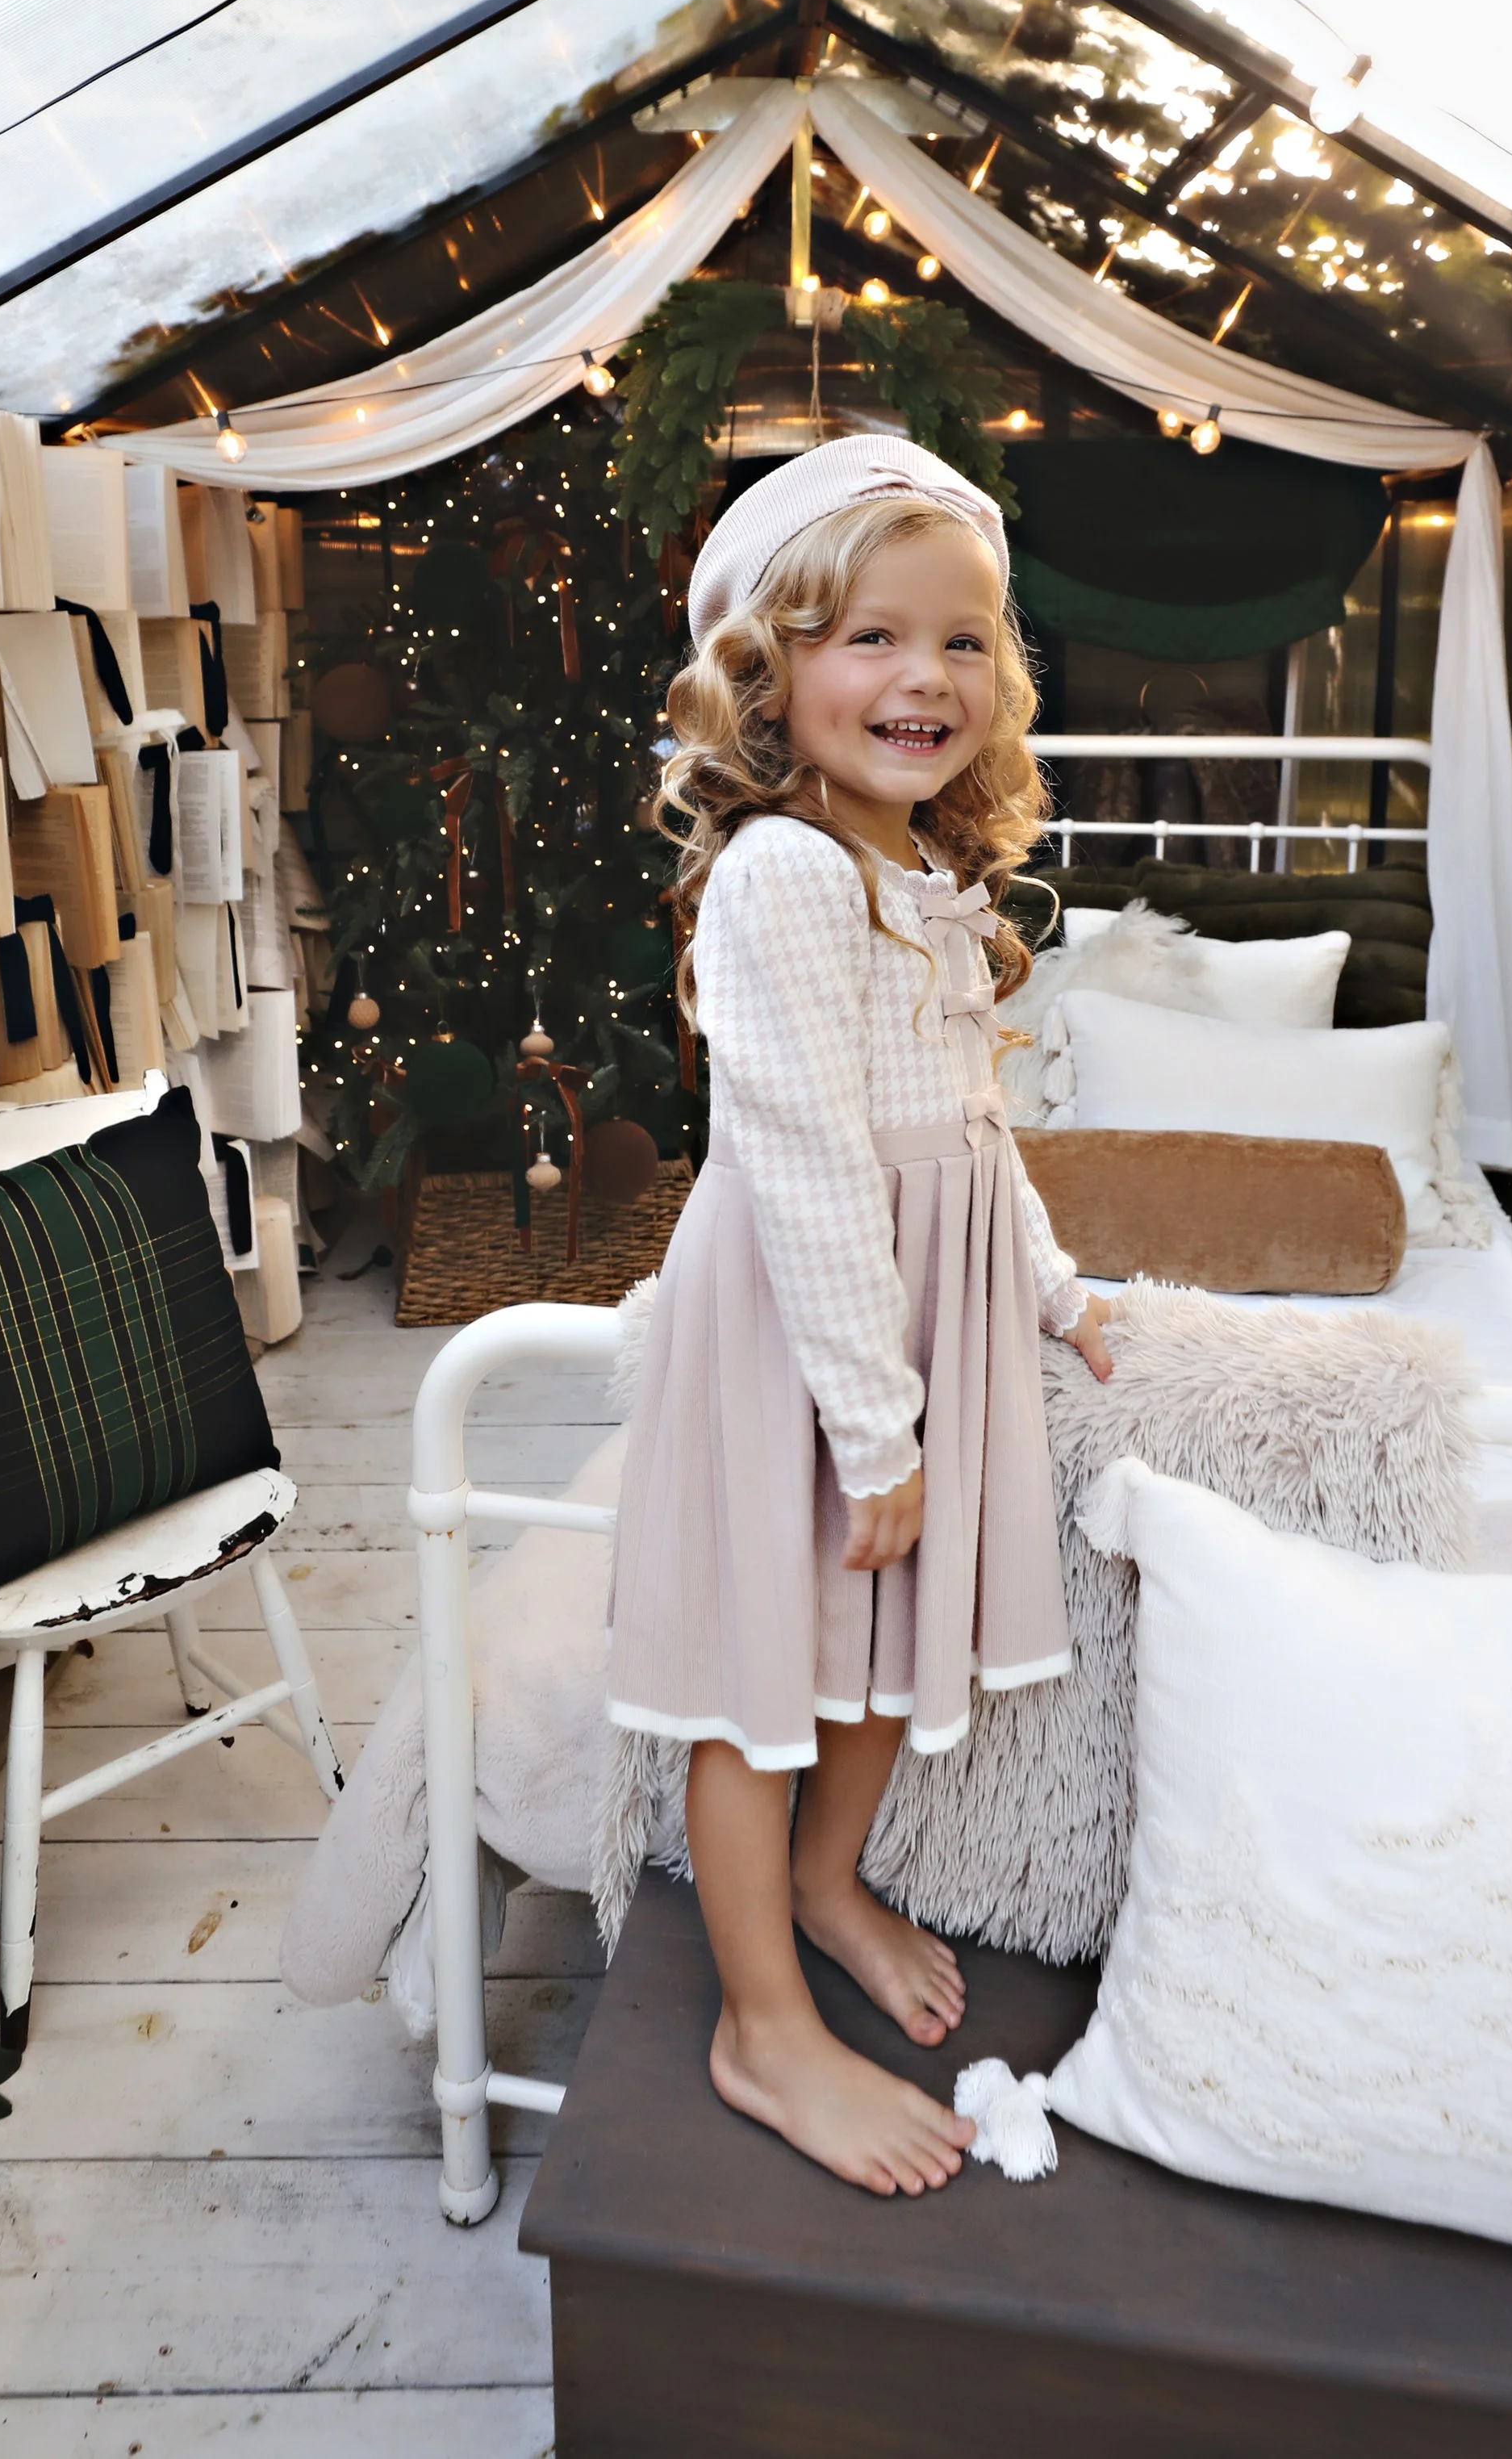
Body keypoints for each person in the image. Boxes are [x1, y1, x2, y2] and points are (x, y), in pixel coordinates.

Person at [608, 434, 1113, 2198]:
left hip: (911, 1333)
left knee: (885, 1650)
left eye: (961, 642)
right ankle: (762, 2023)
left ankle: (831, 1884)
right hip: (808, 1351)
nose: (922, 679)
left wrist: (1048, 1293)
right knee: (767, 1678)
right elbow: (810, 1163)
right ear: (766, 672)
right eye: (865, 640)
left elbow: (970, 1136)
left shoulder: (924, 882)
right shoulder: (780, 879)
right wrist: (872, 1426)